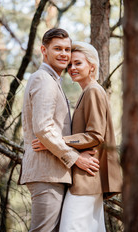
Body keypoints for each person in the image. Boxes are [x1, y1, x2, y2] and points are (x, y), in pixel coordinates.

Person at [32, 41, 122, 232]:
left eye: (78, 63)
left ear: (92, 66)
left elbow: (95, 135)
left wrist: (53, 142)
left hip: (87, 176)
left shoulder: (93, 91)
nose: (72, 68)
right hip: (87, 176)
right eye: (70, 64)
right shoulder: (87, 91)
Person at [19, 29, 100, 232]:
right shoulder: (43, 80)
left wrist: (58, 142)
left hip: (54, 173)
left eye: (67, 49)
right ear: (44, 50)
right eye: (58, 49)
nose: (64, 54)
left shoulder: (54, 81)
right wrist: (76, 158)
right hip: (46, 173)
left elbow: (47, 131)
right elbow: (43, 129)